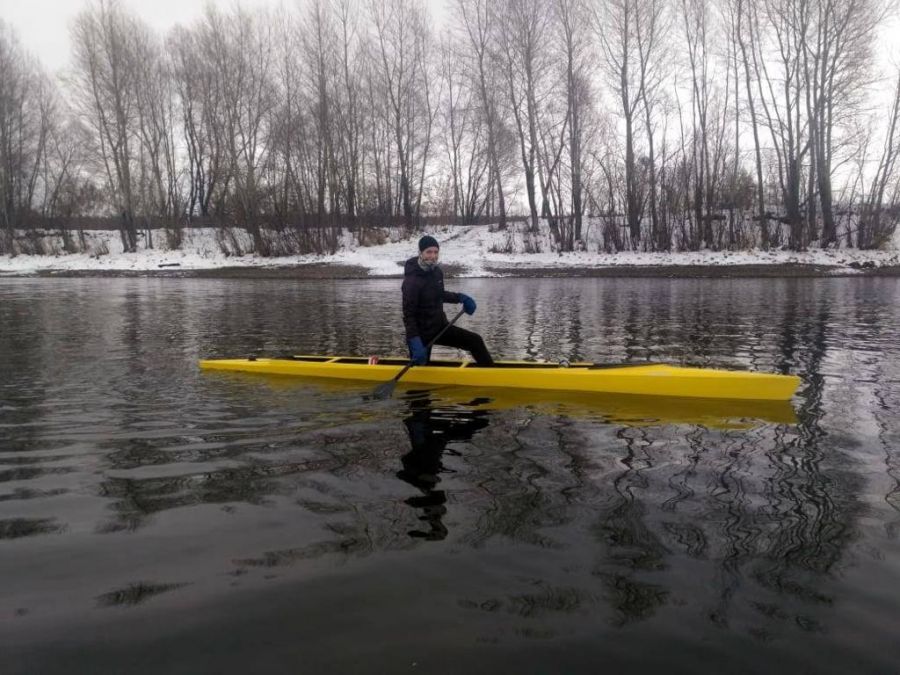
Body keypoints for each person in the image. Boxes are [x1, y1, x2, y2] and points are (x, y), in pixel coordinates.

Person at [402, 235, 494, 366]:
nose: (433, 256)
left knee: (475, 341)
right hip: (420, 336)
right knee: (421, 368)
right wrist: (414, 341)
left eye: (435, 252)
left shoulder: (437, 272)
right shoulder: (412, 281)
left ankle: (490, 374)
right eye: (428, 252)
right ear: (420, 253)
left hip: (440, 327)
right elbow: (408, 315)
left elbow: (439, 294)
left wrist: (461, 298)